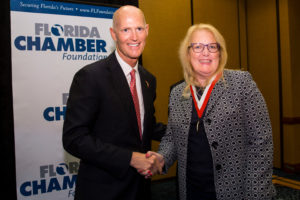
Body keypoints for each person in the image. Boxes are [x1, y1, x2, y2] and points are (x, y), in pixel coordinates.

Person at [147, 23, 276, 200]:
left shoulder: (242, 84)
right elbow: (172, 138)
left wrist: (256, 194)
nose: (205, 53)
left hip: (236, 192)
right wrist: (161, 158)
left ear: (220, 53)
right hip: (191, 190)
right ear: (187, 53)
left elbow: (262, 142)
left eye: (212, 47)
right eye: (198, 47)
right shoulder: (177, 93)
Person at [63, 5, 164, 200]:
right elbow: (74, 139)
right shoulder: (90, 77)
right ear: (113, 33)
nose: (134, 37)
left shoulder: (148, 79)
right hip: (104, 190)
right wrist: (130, 158)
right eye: (126, 30)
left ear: (147, 30)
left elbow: (145, 127)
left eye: (139, 29)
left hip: (140, 189)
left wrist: (187, 132)